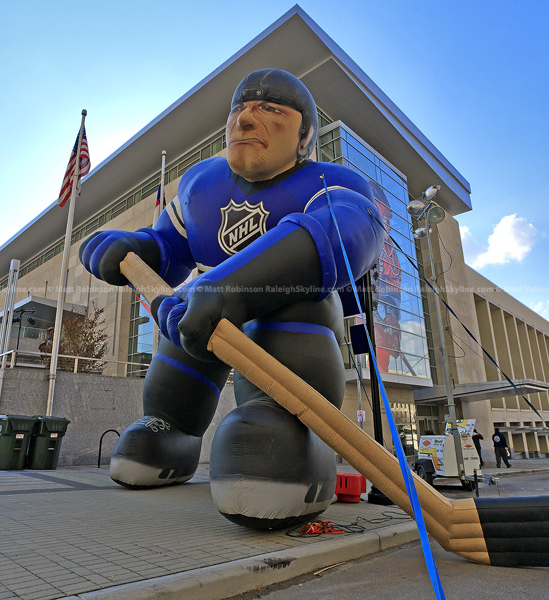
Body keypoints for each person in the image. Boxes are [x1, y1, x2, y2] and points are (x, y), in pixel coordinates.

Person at [80, 68, 383, 530]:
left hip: (284, 316)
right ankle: (173, 431)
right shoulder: (200, 184)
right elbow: (169, 248)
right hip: (205, 311)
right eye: (239, 109)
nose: (243, 121)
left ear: (305, 136)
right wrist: (134, 249)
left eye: (270, 109)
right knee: (178, 353)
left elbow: (347, 236)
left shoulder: (334, 182)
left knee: (292, 311)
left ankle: (288, 431)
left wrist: (235, 288)